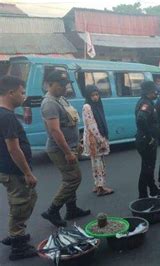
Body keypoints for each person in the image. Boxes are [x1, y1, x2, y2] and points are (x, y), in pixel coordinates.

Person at [40, 70, 90, 227]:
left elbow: (70, 122)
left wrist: (77, 143)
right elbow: (55, 131)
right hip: (59, 149)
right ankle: (52, 210)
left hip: (70, 145)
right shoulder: (49, 103)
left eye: (65, 84)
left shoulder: (60, 99)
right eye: (61, 85)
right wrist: (68, 151)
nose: (64, 87)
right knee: (73, 178)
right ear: (49, 84)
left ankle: (72, 209)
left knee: (70, 178)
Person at [0, 76, 38, 260]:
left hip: (6, 169)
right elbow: (13, 149)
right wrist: (27, 173)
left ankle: (16, 232)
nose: (24, 96)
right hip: (14, 170)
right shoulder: (7, 116)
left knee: (20, 201)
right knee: (21, 203)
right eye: (22, 93)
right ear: (11, 92)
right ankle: (18, 245)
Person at [135, 81, 160, 198]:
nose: (156, 93)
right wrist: (150, 137)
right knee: (146, 169)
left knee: (149, 167)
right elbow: (141, 119)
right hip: (146, 141)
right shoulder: (146, 104)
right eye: (154, 91)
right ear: (149, 92)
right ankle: (142, 196)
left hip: (147, 140)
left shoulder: (148, 102)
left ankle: (153, 190)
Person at [82, 85, 113, 197]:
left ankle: (98, 185)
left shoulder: (97, 105)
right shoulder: (87, 106)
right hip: (94, 140)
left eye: (97, 94)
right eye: (92, 95)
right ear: (88, 96)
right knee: (98, 163)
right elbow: (92, 125)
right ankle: (101, 187)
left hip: (96, 138)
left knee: (97, 162)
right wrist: (101, 140)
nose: (95, 97)